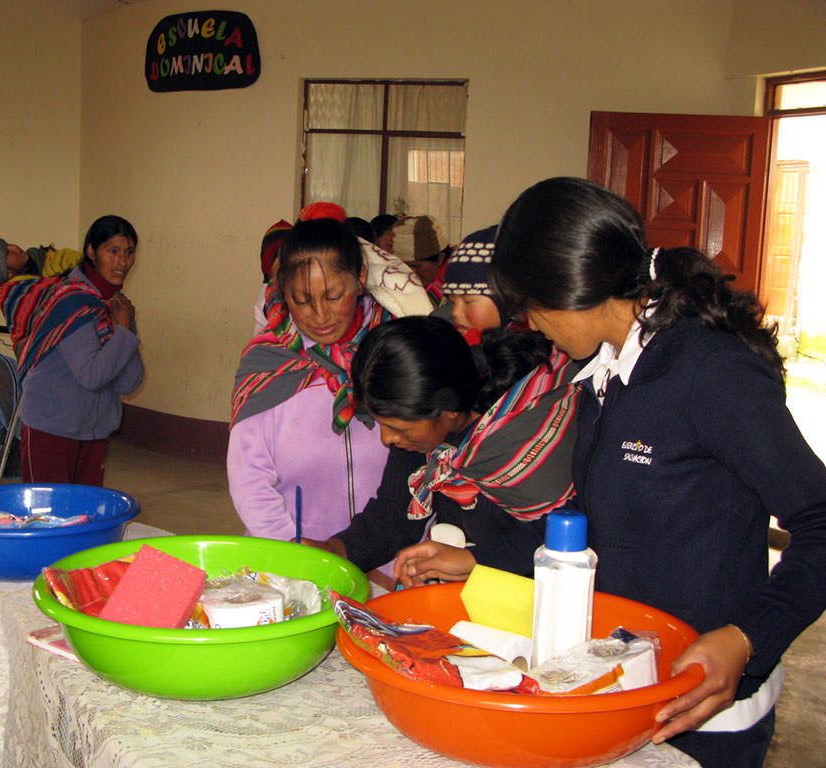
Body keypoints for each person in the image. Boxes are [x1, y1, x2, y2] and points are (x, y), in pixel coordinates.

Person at [442, 175, 826, 767]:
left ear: (573, 289)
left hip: (705, 706)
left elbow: (821, 520)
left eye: (530, 307)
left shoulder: (708, 373)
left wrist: (748, 638)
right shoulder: (605, 371)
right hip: (625, 680)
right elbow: (604, 520)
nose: (528, 325)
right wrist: (479, 556)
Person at [306, 318, 574, 579]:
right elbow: (394, 518)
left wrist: (475, 561)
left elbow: (564, 537)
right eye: (381, 425)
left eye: (398, 428)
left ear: (450, 410)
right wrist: (335, 550)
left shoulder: (523, 443)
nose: (386, 439)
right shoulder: (422, 435)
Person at [228, 208, 394, 552]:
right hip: (296, 557)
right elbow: (249, 479)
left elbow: (423, 460)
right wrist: (292, 550)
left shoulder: (393, 350)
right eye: (301, 300)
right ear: (282, 292)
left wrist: (390, 554)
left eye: (334, 296)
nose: (320, 316)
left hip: (389, 556)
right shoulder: (267, 364)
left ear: (360, 278)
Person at [0, 215, 144, 486]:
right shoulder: (70, 300)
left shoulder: (115, 307)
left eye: (129, 253)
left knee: (86, 519)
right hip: (52, 428)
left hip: (94, 431)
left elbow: (130, 382)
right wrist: (124, 333)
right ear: (92, 252)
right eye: (113, 251)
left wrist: (124, 330)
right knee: (48, 518)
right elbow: (92, 375)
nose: (123, 262)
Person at [391, 214, 450, 303]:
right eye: (402, 267)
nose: (410, 273)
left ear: (440, 259)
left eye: (416, 266)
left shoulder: (456, 287)